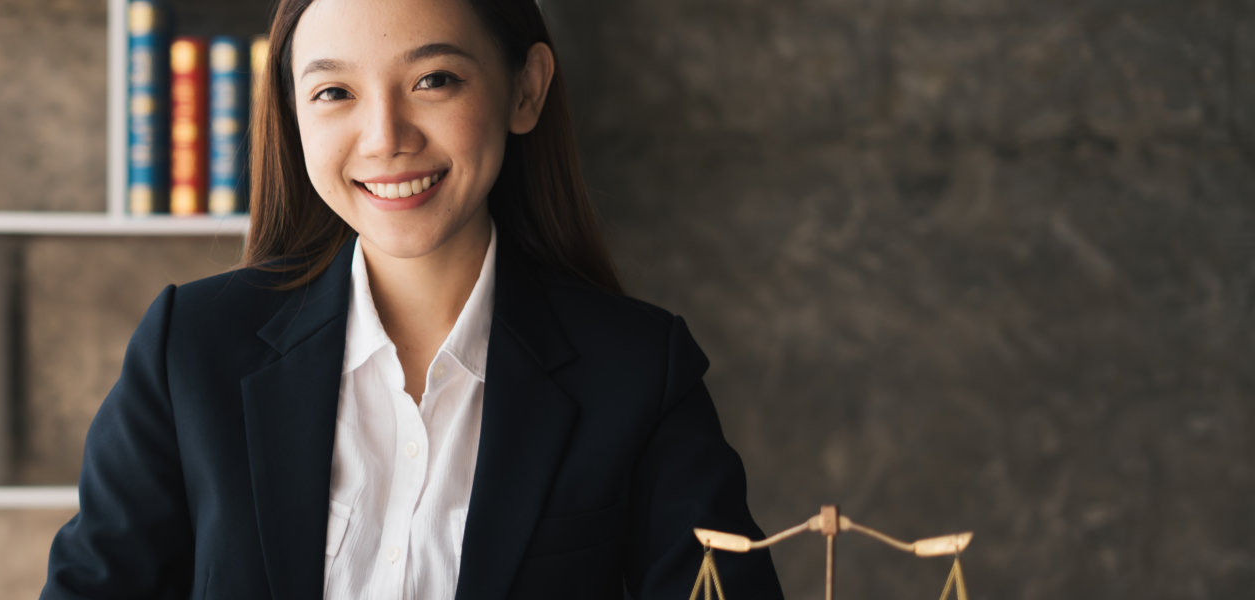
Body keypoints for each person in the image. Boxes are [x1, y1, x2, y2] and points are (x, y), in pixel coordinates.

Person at [42, 0, 782, 597]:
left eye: (434, 80)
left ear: (525, 89)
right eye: (334, 92)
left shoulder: (639, 370)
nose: (384, 137)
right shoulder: (192, 347)